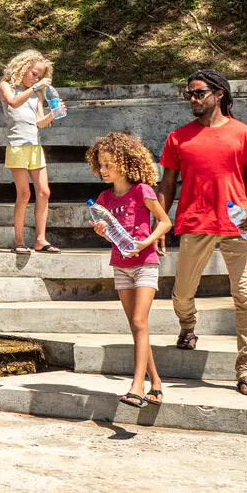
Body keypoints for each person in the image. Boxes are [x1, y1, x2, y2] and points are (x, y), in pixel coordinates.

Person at [159, 69, 247, 396]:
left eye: (198, 93)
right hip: (195, 223)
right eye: (189, 94)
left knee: (245, 297)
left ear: (219, 93)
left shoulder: (245, 134)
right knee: (182, 294)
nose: (192, 99)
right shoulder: (178, 137)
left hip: (238, 225)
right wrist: (161, 224)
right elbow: (167, 184)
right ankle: (188, 327)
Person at [87, 131, 174, 408]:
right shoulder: (103, 199)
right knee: (138, 327)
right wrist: (103, 233)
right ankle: (156, 383)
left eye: (109, 164)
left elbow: (165, 223)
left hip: (145, 263)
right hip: (121, 266)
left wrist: (145, 242)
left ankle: (137, 386)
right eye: (100, 164)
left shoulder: (143, 191)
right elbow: (110, 234)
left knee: (139, 322)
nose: (103, 170)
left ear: (125, 162)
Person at [0, 49, 60, 254]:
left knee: (44, 191)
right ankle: (18, 239)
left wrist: (54, 114)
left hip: (35, 145)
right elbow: (13, 103)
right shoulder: (7, 86)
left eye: (40, 76)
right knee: (24, 193)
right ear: (22, 68)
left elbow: (39, 123)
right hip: (17, 145)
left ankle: (40, 239)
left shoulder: (37, 93)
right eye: (34, 73)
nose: (37, 78)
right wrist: (35, 87)